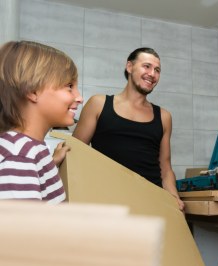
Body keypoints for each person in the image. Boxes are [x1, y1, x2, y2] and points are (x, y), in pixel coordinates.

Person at [72, 47, 184, 211]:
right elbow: (76, 153)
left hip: (151, 201)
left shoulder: (164, 117)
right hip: (107, 201)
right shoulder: (98, 104)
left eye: (157, 70)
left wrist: (174, 198)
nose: (152, 74)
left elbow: (165, 169)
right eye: (147, 66)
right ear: (129, 67)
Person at [0, 40, 83, 203]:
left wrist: (52, 162)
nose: (79, 98)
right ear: (32, 91)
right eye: (69, 86)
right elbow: (25, 227)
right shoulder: (20, 157)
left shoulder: (29, 151)